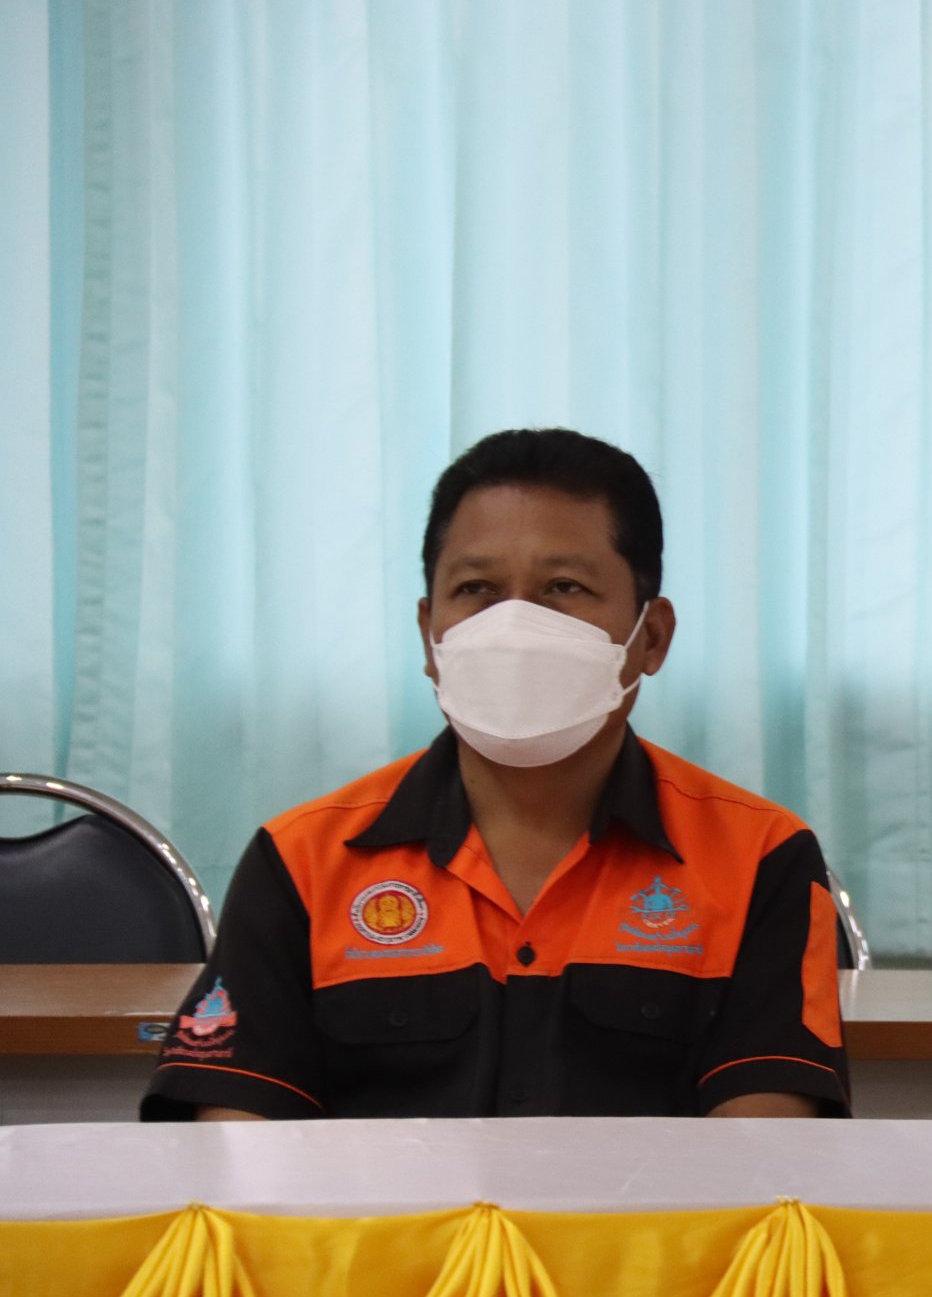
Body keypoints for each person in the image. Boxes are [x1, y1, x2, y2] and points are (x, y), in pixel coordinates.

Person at [143, 429, 849, 1120]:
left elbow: (764, 1153)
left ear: (652, 637)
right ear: (430, 636)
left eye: (563, 587)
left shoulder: (759, 858)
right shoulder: (302, 861)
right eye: (477, 588)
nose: (514, 626)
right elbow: (236, 1143)